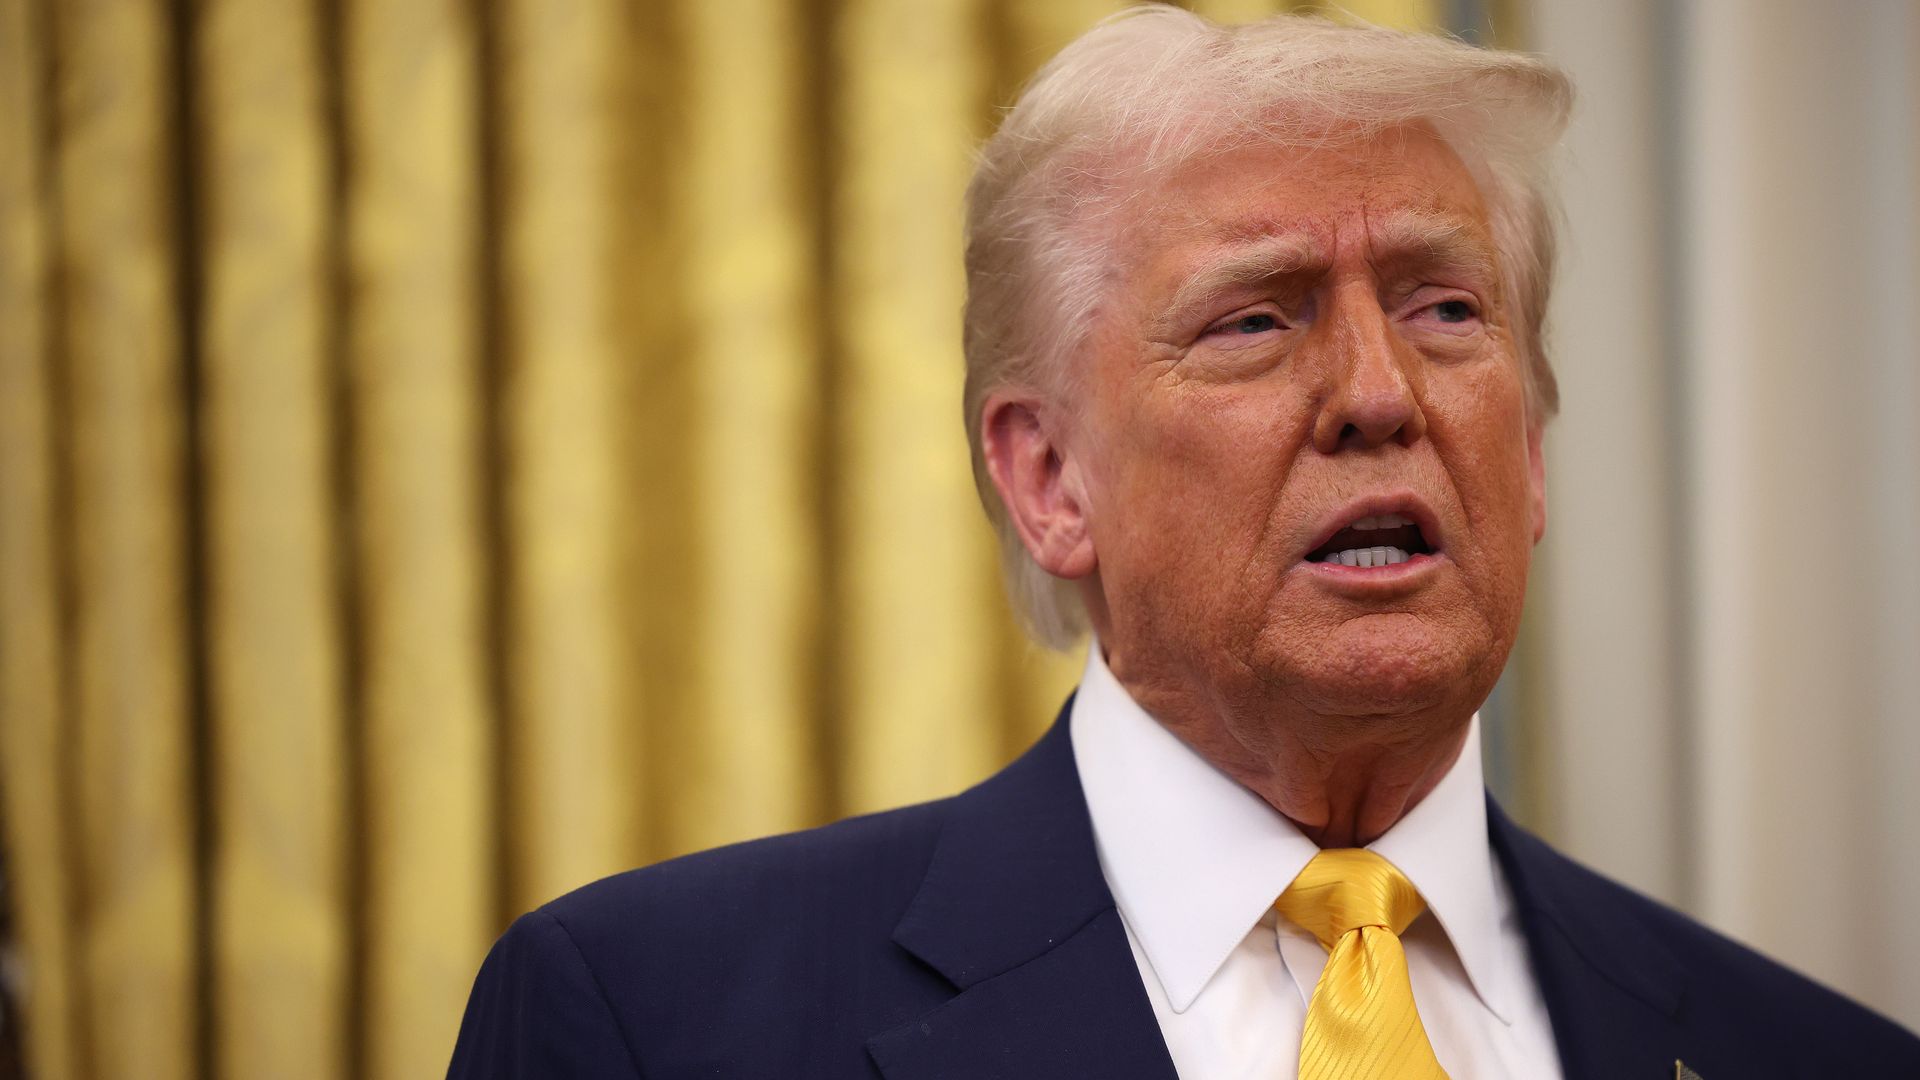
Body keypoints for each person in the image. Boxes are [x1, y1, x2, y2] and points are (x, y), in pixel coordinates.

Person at [447, 8, 1920, 1078]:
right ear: (1048, 480)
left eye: (1445, 308)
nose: (1378, 394)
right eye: (1257, 318)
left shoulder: (1813, 1054)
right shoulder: (657, 1021)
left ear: (1528, 451)